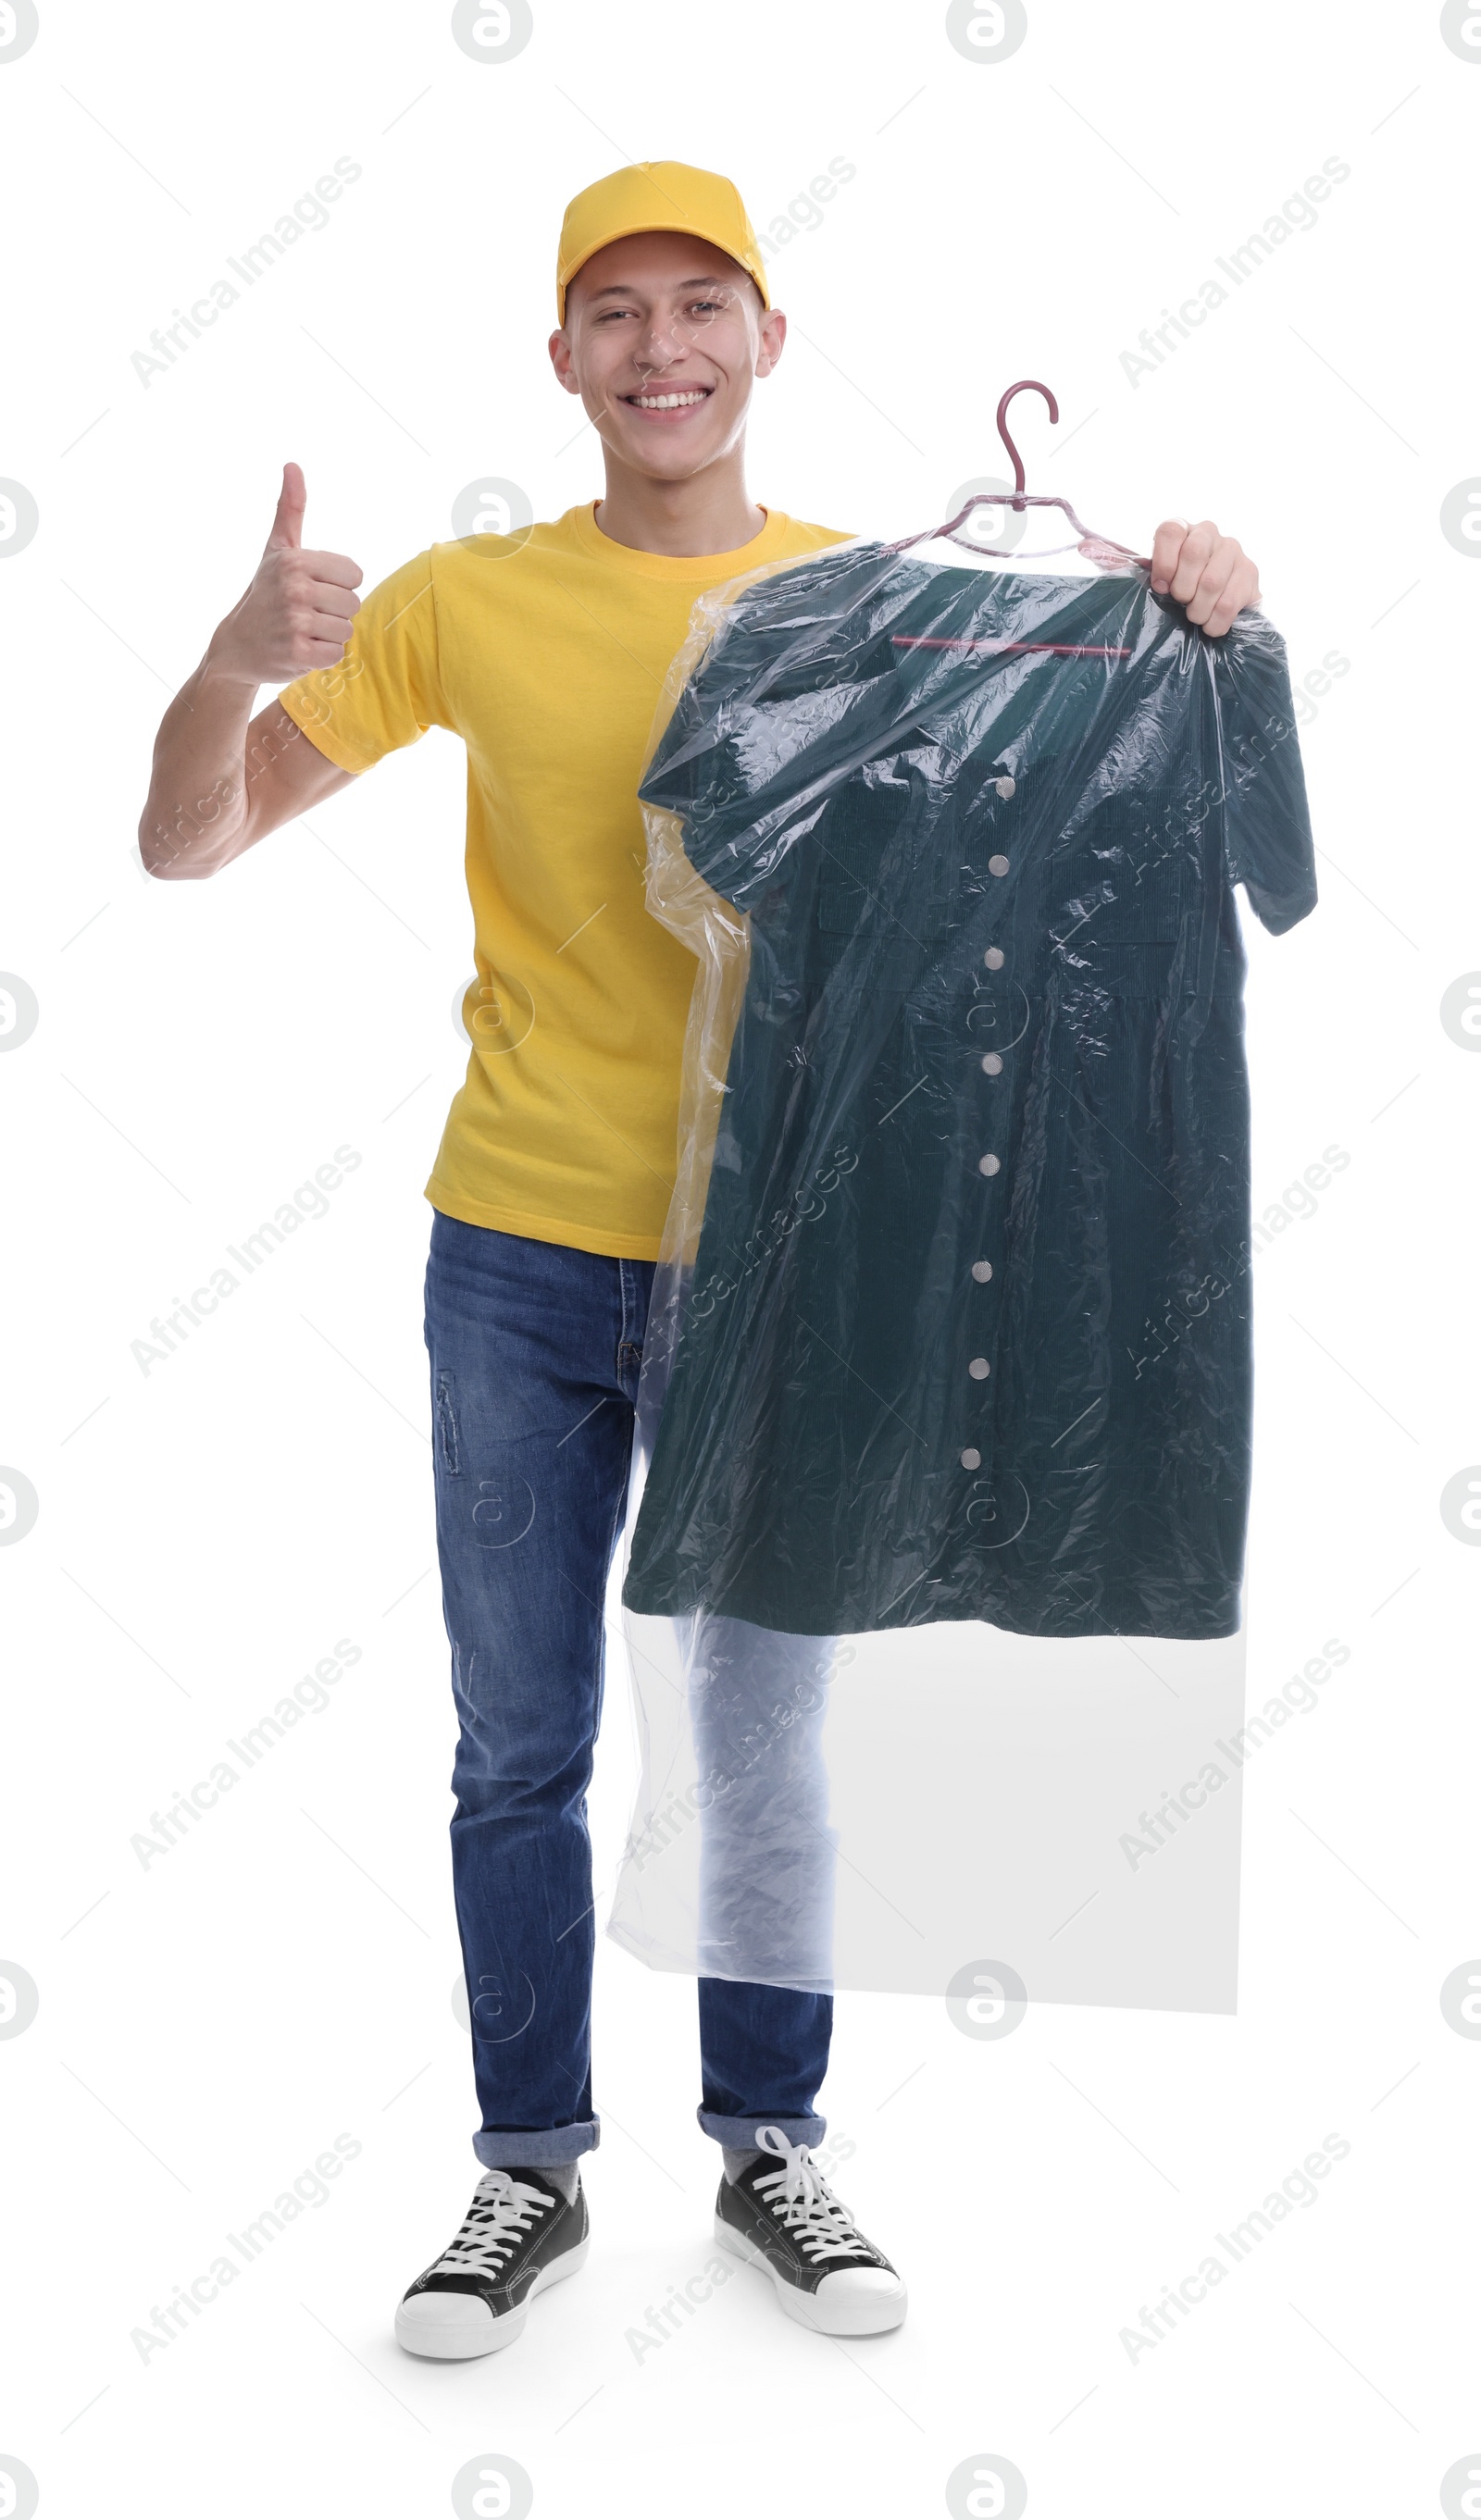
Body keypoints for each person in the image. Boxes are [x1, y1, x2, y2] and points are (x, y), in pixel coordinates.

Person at [136, 159, 1263, 2357]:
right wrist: (213, 665)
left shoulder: (873, 606)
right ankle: (522, 2171)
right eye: (615, 312)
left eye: (701, 306)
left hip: (791, 1267)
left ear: (768, 338)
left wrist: (1196, 608)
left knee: (756, 1742)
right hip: (521, 1254)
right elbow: (188, 842)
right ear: (558, 357)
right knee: (519, 1741)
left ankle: (770, 2141)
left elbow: (1089, 815)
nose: (660, 348)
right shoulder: (462, 600)